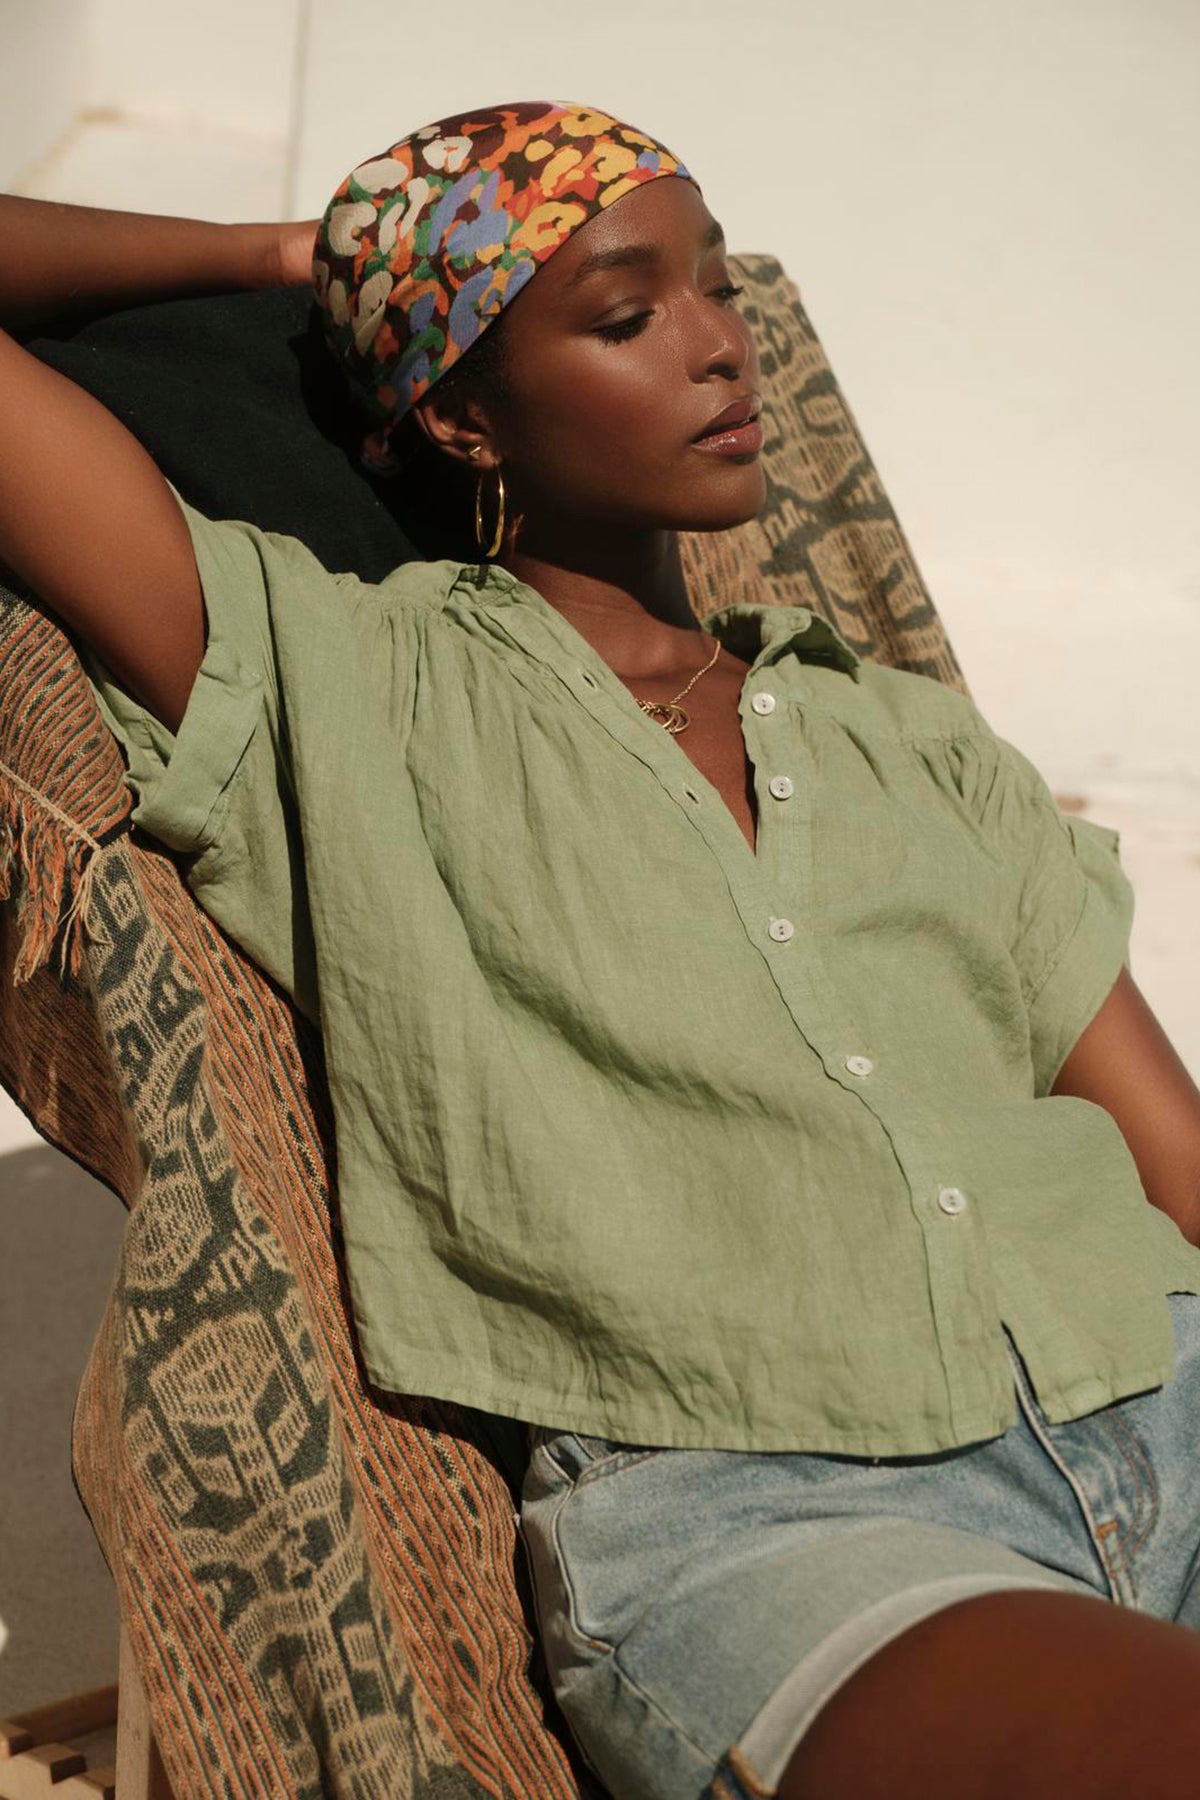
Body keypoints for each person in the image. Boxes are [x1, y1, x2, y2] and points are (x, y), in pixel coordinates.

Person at [3, 98, 1200, 1800]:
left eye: (716, 287)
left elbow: (1176, 1163)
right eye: (630, 316)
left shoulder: (912, 744)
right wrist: (285, 259)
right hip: (806, 1525)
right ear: (463, 414)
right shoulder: (333, 683)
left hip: (1163, 1380)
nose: (721, 347)